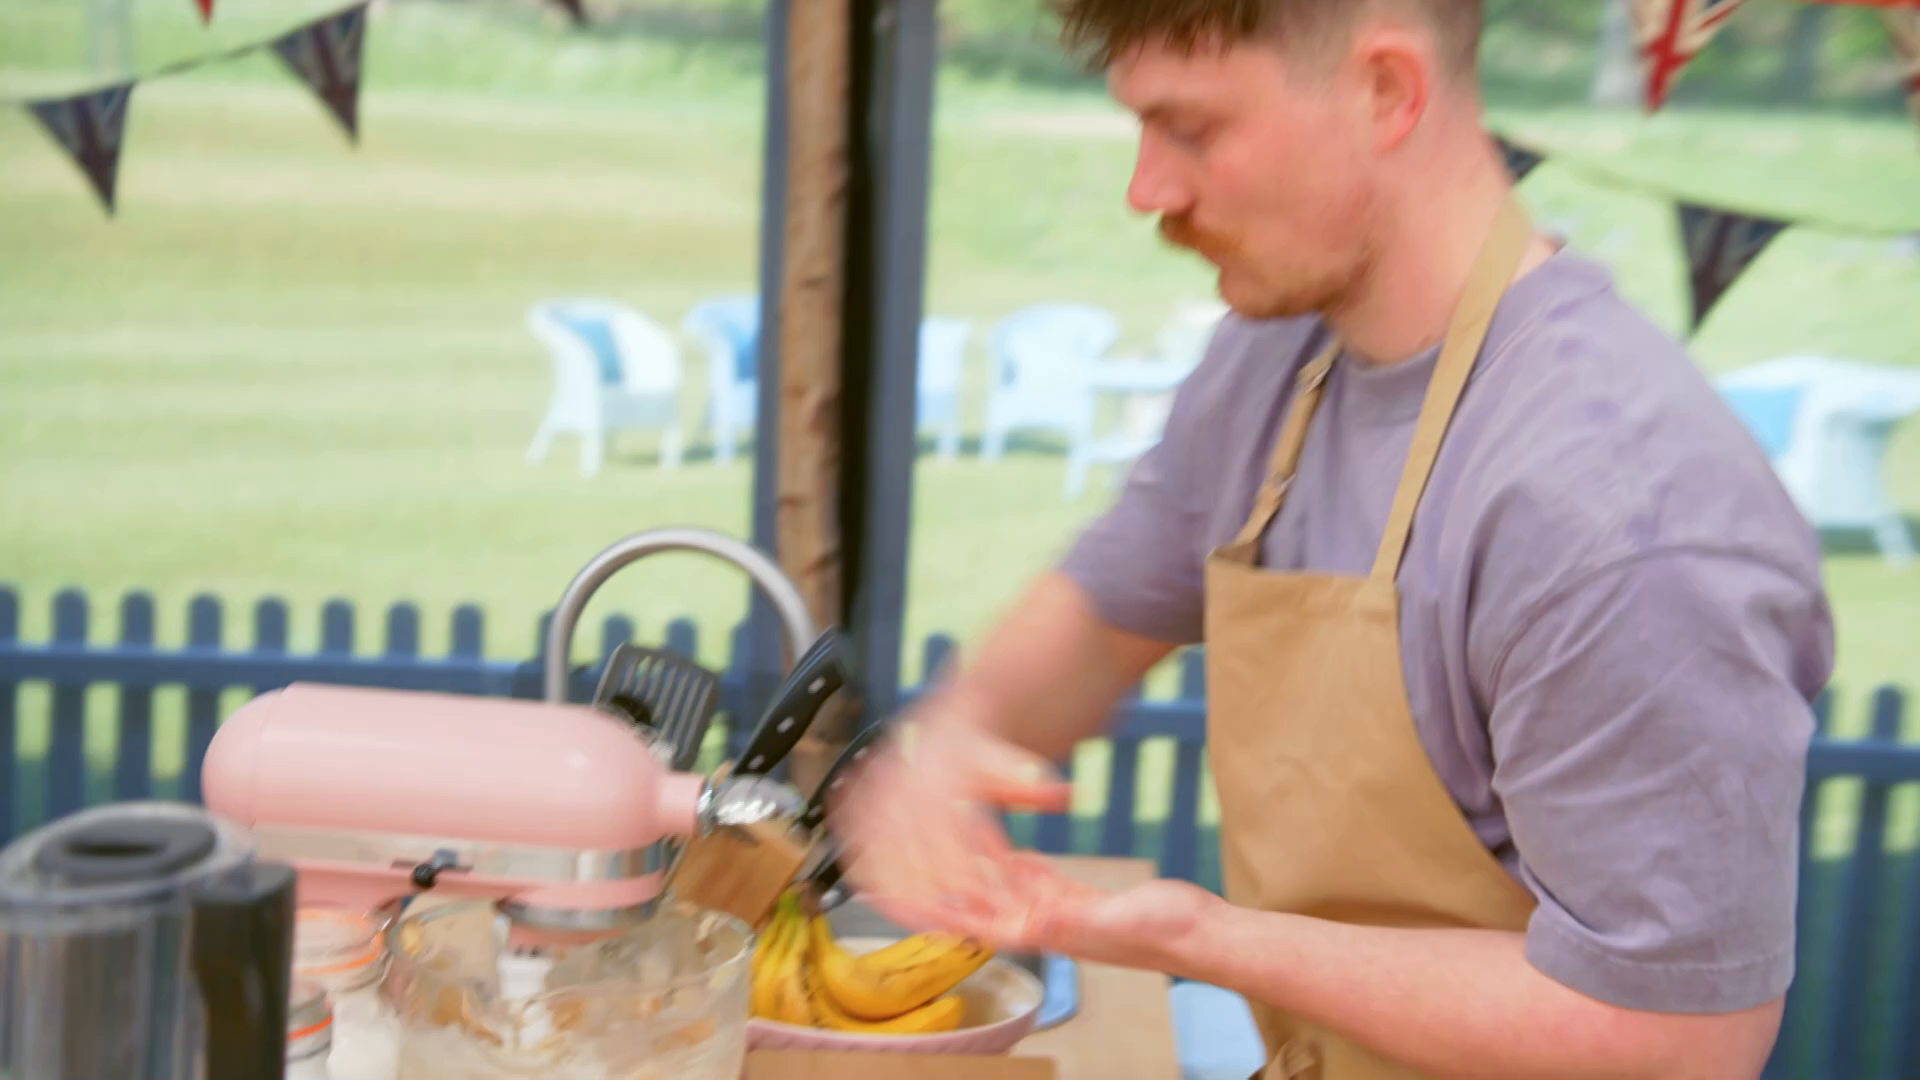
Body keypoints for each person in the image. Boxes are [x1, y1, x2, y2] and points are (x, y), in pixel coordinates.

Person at [832, 1, 1836, 1077]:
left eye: (1191, 130)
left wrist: (1203, 938)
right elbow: (1107, 607)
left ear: (1385, 92)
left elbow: (1677, 1043)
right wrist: (953, 739)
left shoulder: (1620, 519)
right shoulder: (1280, 358)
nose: (1147, 190)